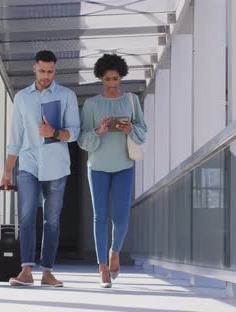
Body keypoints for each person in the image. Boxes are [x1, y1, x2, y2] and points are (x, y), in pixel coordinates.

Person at [2, 50, 80, 287]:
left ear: (55, 70)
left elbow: (74, 132)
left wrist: (53, 133)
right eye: (43, 70)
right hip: (28, 164)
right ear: (34, 68)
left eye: (51, 71)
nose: (46, 76)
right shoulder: (22, 98)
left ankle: (47, 272)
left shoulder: (67, 96)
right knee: (26, 216)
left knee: (52, 221)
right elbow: (15, 137)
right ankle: (26, 270)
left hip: (56, 166)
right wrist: (7, 171)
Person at [77, 54, 147, 288]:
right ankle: (102, 267)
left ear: (122, 76)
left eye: (115, 78)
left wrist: (129, 129)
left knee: (121, 217)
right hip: (97, 167)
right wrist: (99, 131)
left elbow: (142, 131)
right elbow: (82, 139)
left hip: (124, 165)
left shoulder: (131, 101)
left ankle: (114, 252)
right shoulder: (91, 104)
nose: (111, 83)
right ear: (100, 78)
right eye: (107, 79)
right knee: (100, 217)